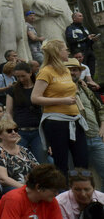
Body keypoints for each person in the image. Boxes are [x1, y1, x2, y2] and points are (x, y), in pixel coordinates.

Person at [32, 39, 88, 177]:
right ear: (57, 52)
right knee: (61, 163)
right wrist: (62, 100)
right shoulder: (45, 72)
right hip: (56, 120)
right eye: (65, 49)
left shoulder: (65, 70)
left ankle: (83, 193)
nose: (68, 52)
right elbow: (35, 98)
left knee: (82, 162)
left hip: (75, 118)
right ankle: (63, 194)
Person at [67, 57, 104, 185]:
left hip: (96, 136)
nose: (73, 72)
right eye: (69, 70)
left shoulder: (85, 89)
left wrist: (102, 127)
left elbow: (100, 108)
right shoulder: (59, 92)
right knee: (76, 177)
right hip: (74, 140)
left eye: (75, 70)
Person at [6, 60, 46, 162]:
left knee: (40, 161)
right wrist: (13, 128)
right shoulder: (13, 90)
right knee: (19, 162)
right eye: (18, 77)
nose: (20, 79)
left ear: (30, 73)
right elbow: (8, 112)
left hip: (38, 131)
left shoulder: (39, 88)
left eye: (23, 76)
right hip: (20, 131)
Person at [0, 118, 38, 194]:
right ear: (0, 135)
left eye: (16, 130)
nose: (14, 132)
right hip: (9, 188)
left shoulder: (24, 150)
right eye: (9, 131)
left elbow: (38, 169)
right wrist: (25, 188)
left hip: (30, 186)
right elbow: (3, 179)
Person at [0, 164, 65, 218]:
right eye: (53, 191)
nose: (56, 194)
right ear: (38, 187)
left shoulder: (51, 201)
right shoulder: (14, 199)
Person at [66, 12, 99, 76]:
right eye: (80, 16)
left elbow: (87, 41)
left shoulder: (84, 28)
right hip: (79, 52)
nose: (82, 17)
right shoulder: (70, 28)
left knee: (92, 71)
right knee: (82, 71)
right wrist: (86, 38)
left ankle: (91, 83)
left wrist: (92, 40)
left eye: (82, 16)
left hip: (89, 51)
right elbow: (70, 41)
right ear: (74, 18)